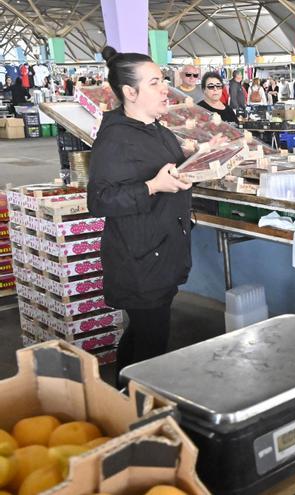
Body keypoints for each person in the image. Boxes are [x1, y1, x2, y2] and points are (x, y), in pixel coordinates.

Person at [87, 46, 208, 382]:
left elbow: (165, 168)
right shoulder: (115, 139)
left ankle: (123, 397)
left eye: (163, 80)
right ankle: (140, 413)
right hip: (139, 258)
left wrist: (195, 161)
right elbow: (100, 200)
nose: (165, 88)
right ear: (130, 92)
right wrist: (152, 187)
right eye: (155, 83)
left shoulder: (157, 128)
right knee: (152, 342)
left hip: (162, 251)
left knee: (142, 334)